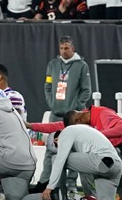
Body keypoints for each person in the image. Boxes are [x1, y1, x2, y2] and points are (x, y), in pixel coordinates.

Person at [29, 106, 122, 200]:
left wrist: (97, 135)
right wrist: (31, 126)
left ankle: (89, 199)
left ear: (78, 122)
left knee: (82, 158)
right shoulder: (82, 119)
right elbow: (58, 126)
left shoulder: (102, 113)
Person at [40, 120, 122, 200]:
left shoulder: (66, 132)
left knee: (55, 159)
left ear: (56, 140)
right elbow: (84, 166)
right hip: (115, 166)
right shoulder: (81, 132)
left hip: (102, 161)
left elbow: (59, 160)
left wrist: (50, 187)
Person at [38, 36, 91, 188]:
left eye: (66, 48)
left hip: (73, 117)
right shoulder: (53, 64)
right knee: (50, 149)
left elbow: (86, 90)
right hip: (56, 113)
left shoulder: (82, 65)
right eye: (61, 48)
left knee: (73, 148)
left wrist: (77, 107)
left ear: (72, 49)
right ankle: (45, 181)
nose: (63, 51)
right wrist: (51, 102)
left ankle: (71, 183)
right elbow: (48, 85)